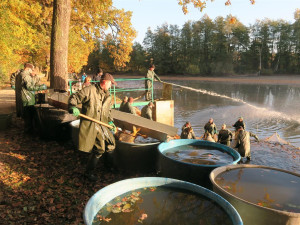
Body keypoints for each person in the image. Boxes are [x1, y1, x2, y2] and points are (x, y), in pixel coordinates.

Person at [68, 73, 117, 181]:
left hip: (103, 124)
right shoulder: (89, 90)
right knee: (99, 149)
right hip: (91, 124)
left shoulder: (108, 95)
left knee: (111, 144)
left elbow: (108, 111)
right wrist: (72, 106)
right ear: (104, 82)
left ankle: (108, 167)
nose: (111, 86)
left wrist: (111, 122)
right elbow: (74, 97)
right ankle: (88, 173)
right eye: (110, 84)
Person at [20, 63, 47, 133]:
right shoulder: (26, 76)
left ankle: (29, 130)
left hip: (26, 97)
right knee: (29, 115)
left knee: (28, 115)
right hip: (27, 98)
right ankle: (29, 132)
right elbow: (29, 87)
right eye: (31, 69)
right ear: (28, 69)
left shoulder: (21, 74)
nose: (32, 71)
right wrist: (41, 87)